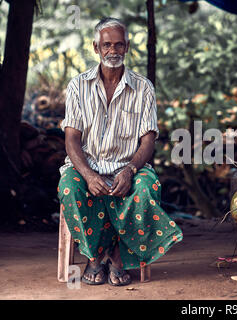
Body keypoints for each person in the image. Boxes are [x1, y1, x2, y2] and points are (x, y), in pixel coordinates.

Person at [57, 17, 183, 286]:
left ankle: (117, 256)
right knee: (69, 186)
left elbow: (148, 141)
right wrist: (89, 175)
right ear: (96, 48)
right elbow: (71, 140)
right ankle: (98, 254)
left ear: (126, 48)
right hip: (87, 167)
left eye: (118, 45)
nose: (112, 51)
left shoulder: (143, 87)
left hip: (129, 167)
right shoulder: (78, 86)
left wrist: (130, 170)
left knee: (147, 187)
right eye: (106, 45)